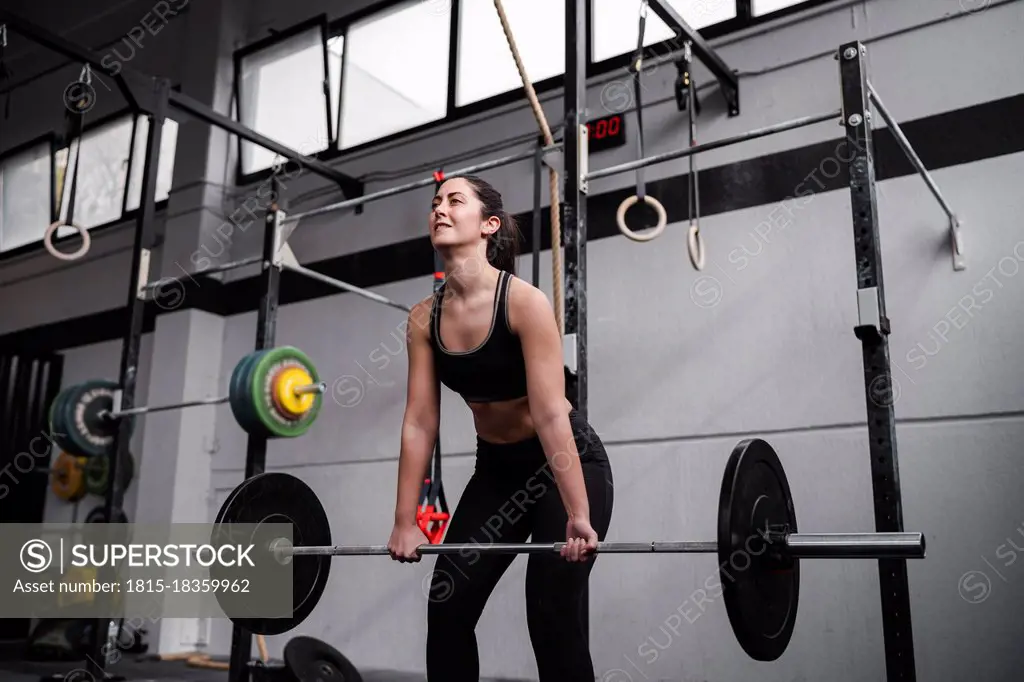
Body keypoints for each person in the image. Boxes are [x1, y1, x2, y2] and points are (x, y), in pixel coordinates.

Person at [387, 175, 615, 681]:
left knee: (552, 615)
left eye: (454, 200)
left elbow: (553, 413)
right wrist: (406, 519)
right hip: (497, 473)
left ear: (489, 225)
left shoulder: (524, 302)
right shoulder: (423, 318)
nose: (440, 209)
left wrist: (578, 512)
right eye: (435, 203)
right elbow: (420, 421)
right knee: (447, 607)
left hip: (563, 465)